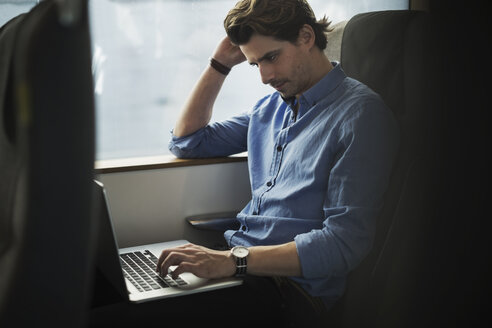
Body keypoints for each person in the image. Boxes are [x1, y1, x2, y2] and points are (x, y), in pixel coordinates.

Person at [91, 1, 398, 327]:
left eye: (271, 57)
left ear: (306, 37)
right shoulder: (271, 108)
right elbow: (187, 142)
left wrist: (231, 262)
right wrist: (220, 64)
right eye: (255, 64)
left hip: (289, 292)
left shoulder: (360, 115)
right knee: (95, 288)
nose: (265, 77)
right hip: (239, 266)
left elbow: (343, 244)